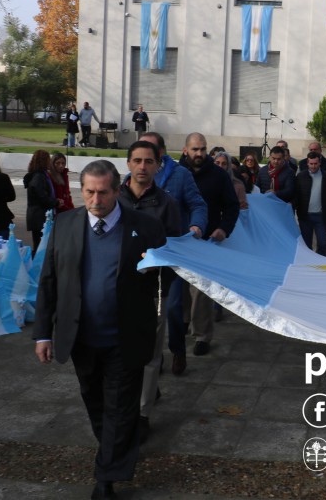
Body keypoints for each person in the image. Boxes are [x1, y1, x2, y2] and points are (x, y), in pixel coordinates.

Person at [33, 160, 166, 500]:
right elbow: (49, 280)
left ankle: (106, 476)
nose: (95, 200)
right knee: (95, 402)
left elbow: (171, 272)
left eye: (102, 193)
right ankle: (115, 447)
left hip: (125, 336)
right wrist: (43, 333)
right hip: (80, 338)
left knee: (121, 407)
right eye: (89, 192)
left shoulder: (145, 226)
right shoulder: (64, 224)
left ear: (117, 190)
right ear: (82, 190)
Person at [119, 141, 182, 445]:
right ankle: (122, 407)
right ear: (128, 163)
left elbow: (176, 247)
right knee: (118, 350)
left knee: (150, 353)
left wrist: (156, 257)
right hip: (115, 288)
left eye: (149, 161)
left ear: (159, 165)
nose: (142, 167)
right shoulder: (112, 199)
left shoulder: (166, 204)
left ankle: (143, 413)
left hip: (154, 289)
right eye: (137, 161)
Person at [140, 131, 208, 375]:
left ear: (160, 153)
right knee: (146, 312)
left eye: (148, 152)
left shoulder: (180, 176)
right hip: (144, 256)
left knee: (172, 308)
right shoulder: (133, 179)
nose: (142, 160)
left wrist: (196, 225)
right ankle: (152, 359)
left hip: (174, 253)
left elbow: (198, 204)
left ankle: (177, 350)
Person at [180, 132, 240, 356]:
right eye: (195, 149)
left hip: (207, 242)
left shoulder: (218, 175)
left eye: (203, 149)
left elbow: (232, 206)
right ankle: (184, 322)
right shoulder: (177, 174)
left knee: (201, 291)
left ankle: (202, 335)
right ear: (186, 150)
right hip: (180, 241)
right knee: (181, 290)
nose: (200, 153)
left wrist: (224, 228)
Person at [295, 151, 326, 255]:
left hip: (321, 217)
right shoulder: (300, 177)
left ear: (320, 163)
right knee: (306, 244)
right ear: (307, 163)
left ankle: (320, 265)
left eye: (315, 163)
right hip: (305, 217)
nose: (313, 166)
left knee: (322, 244)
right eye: (311, 163)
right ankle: (308, 266)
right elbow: (296, 196)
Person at [23, 150, 62, 254]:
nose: (50, 161)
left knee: (41, 245)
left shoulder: (41, 175)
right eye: (48, 159)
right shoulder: (39, 177)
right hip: (39, 217)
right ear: (43, 161)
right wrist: (55, 202)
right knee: (41, 246)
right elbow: (41, 197)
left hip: (39, 215)